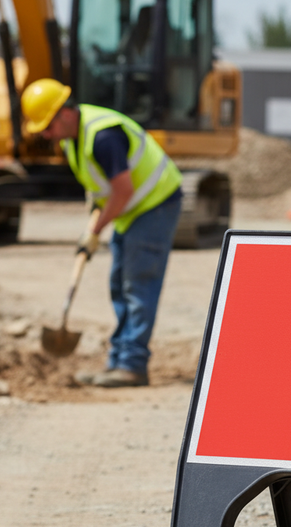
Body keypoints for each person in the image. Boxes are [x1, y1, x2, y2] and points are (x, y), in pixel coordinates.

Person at [20, 78, 183, 388]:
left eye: (47, 126)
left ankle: (132, 365)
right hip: (130, 210)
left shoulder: (103, 136)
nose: (45, 134)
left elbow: (122, 190)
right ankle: (118, 361)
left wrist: (95, 231)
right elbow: (102, 187)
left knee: (138, 283)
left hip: (155, 203)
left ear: (65, 113)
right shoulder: (72, 142)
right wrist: (94, 221)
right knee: (119, 284)